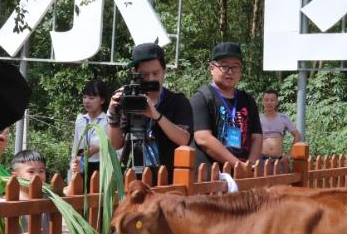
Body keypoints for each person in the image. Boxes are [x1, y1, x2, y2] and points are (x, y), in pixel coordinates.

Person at [106, 43, 192, 176]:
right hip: (135, 180)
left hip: (167, 179)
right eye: (144, 74)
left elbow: (184, 139)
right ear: (135, 73)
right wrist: (112, 115)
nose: (151, 78)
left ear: (164, 71)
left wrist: (156, 115)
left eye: (156, 73)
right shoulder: (128, 100)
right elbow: (116, 145)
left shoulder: (178, 101)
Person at [190, 42, 262, 172]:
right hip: (211, 176)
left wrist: (250, 165)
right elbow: (203, 138)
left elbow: (256, 137)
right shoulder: (202, 98)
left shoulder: (248, 100)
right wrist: (237, 165)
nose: (230, 72)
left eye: (235, 66)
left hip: (243, 174)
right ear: (212, 68)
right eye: (224, 66)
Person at [69, 78, 109, 185]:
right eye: (84, 97)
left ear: (102, 100)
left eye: (91, 98)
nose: (86, 101)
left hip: (103, 168)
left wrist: (99, 148)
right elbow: (75, 147)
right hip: (82, 167)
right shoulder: (80, 119)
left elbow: (117, 148)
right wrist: (72, 172)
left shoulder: (109, 121)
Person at [257, 88, 303, 171]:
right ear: (262, 102)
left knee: (282, 183)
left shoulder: (284, 118)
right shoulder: (257, 118)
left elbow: (297, 135)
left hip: (279, 160)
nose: (269, 102)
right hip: (261, 159)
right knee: (262, 183)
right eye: (266, 100)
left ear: (277, 102)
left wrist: (289, 154)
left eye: (272, 100)